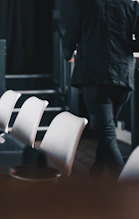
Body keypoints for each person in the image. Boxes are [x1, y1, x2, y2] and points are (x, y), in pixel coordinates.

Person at [62, 0, 139, 178]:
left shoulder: (86, 5)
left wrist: (68, 53)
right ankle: (96, 170)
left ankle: (126, 185)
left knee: (106, 132)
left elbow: (71, 36)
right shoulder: (132, 5)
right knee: (106, 130)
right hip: (123, 77)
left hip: (95, 76)